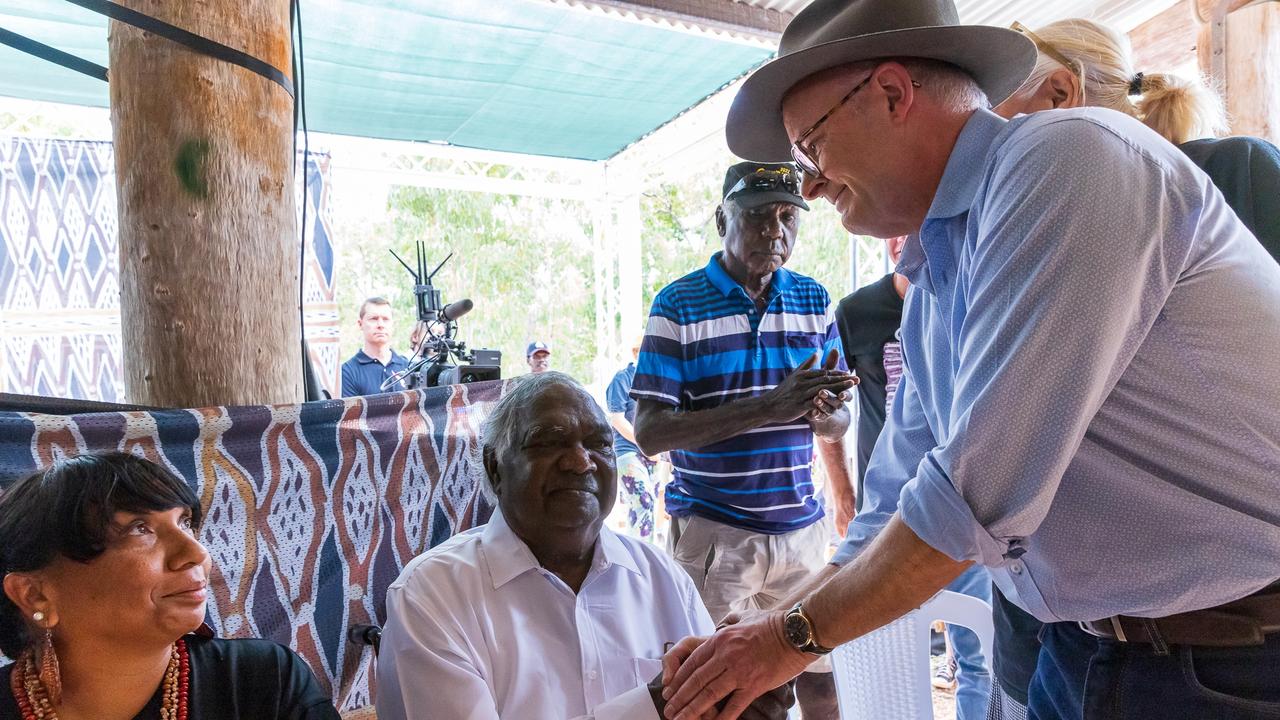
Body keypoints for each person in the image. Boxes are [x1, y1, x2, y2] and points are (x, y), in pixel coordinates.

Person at [657, 1, 1280, 719]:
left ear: (892, 94)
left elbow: (973, 499)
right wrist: (770, 626)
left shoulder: (1066, 159)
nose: (811, 187)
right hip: (1089, 650)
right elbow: (890, 504)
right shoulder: (935, 292)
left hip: (1237, 658)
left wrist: (786, 640)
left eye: (812, 149)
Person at [989, 18, 1280, 718]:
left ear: (1060, 95)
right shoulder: (1027, 234)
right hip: (1068, 647)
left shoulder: (1233, 173)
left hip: (1219, 657)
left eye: (997, 126)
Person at [375, 372, 792, 720]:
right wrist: (656, 705)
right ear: (495, 467)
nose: (580, 461)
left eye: (599, 443)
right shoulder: (431, 597)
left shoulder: (661, 578)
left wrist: (739, 702)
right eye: (548, 442)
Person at [631, 161, 857, 718]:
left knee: (821, 680)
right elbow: (650, 432)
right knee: (714, 690)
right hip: (716, 535)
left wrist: (823, 414)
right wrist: (771, 405)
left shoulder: (813, 299)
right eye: (756, 216)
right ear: (720, 219)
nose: (774, 231)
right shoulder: (678, 305)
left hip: (802, 532)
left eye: (787, 216)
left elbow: (838, 423)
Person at [0, 452, 339, 720]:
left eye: (185, 522)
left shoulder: (264, 683)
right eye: (138, 529)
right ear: (35, 594)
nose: (196, 553)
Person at [835, 233, 992, 720]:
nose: (903, 238)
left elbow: (986, 467)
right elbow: (879, 443)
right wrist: (842, 492)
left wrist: (784, 633)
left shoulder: (987, 286)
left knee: (978, 654)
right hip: (896, 515)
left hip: (974, 523)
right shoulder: (870, 312)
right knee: (884, 653)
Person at [993, 17, 1280, 264]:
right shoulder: (1070, 216)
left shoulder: (1237, 168)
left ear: (1059, 95)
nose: (987, 132)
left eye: (995, 105)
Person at [605, 334, 659, 541]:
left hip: (652, 453)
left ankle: (637, 555)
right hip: (628, 451)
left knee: (645, 509)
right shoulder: (623, 378)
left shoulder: (656, 381)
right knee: (644, 503)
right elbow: (617, 419)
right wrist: (645, 443)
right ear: (636, 352)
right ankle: (643, 561)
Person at [341, 297, 412, 397]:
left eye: (385, 319)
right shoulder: (348, 371)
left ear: (393, 324)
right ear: (360, 324)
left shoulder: (408, 367)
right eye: (374, 319)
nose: (380, 325)